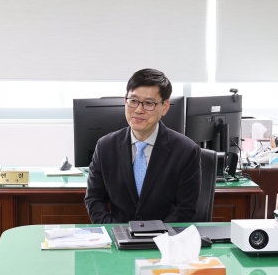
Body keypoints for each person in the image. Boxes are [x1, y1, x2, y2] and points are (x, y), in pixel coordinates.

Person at [85, 68, 201, 224]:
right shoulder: (105, 146)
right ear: (125, 100)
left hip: (164, 236)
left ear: (165, 106)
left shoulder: (186, 151)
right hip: (118, 234)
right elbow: (94, 198)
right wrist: (112, 230)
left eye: (148, 103)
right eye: (133, 101)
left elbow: (185, 209)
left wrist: (159, 234)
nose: (138, 110)